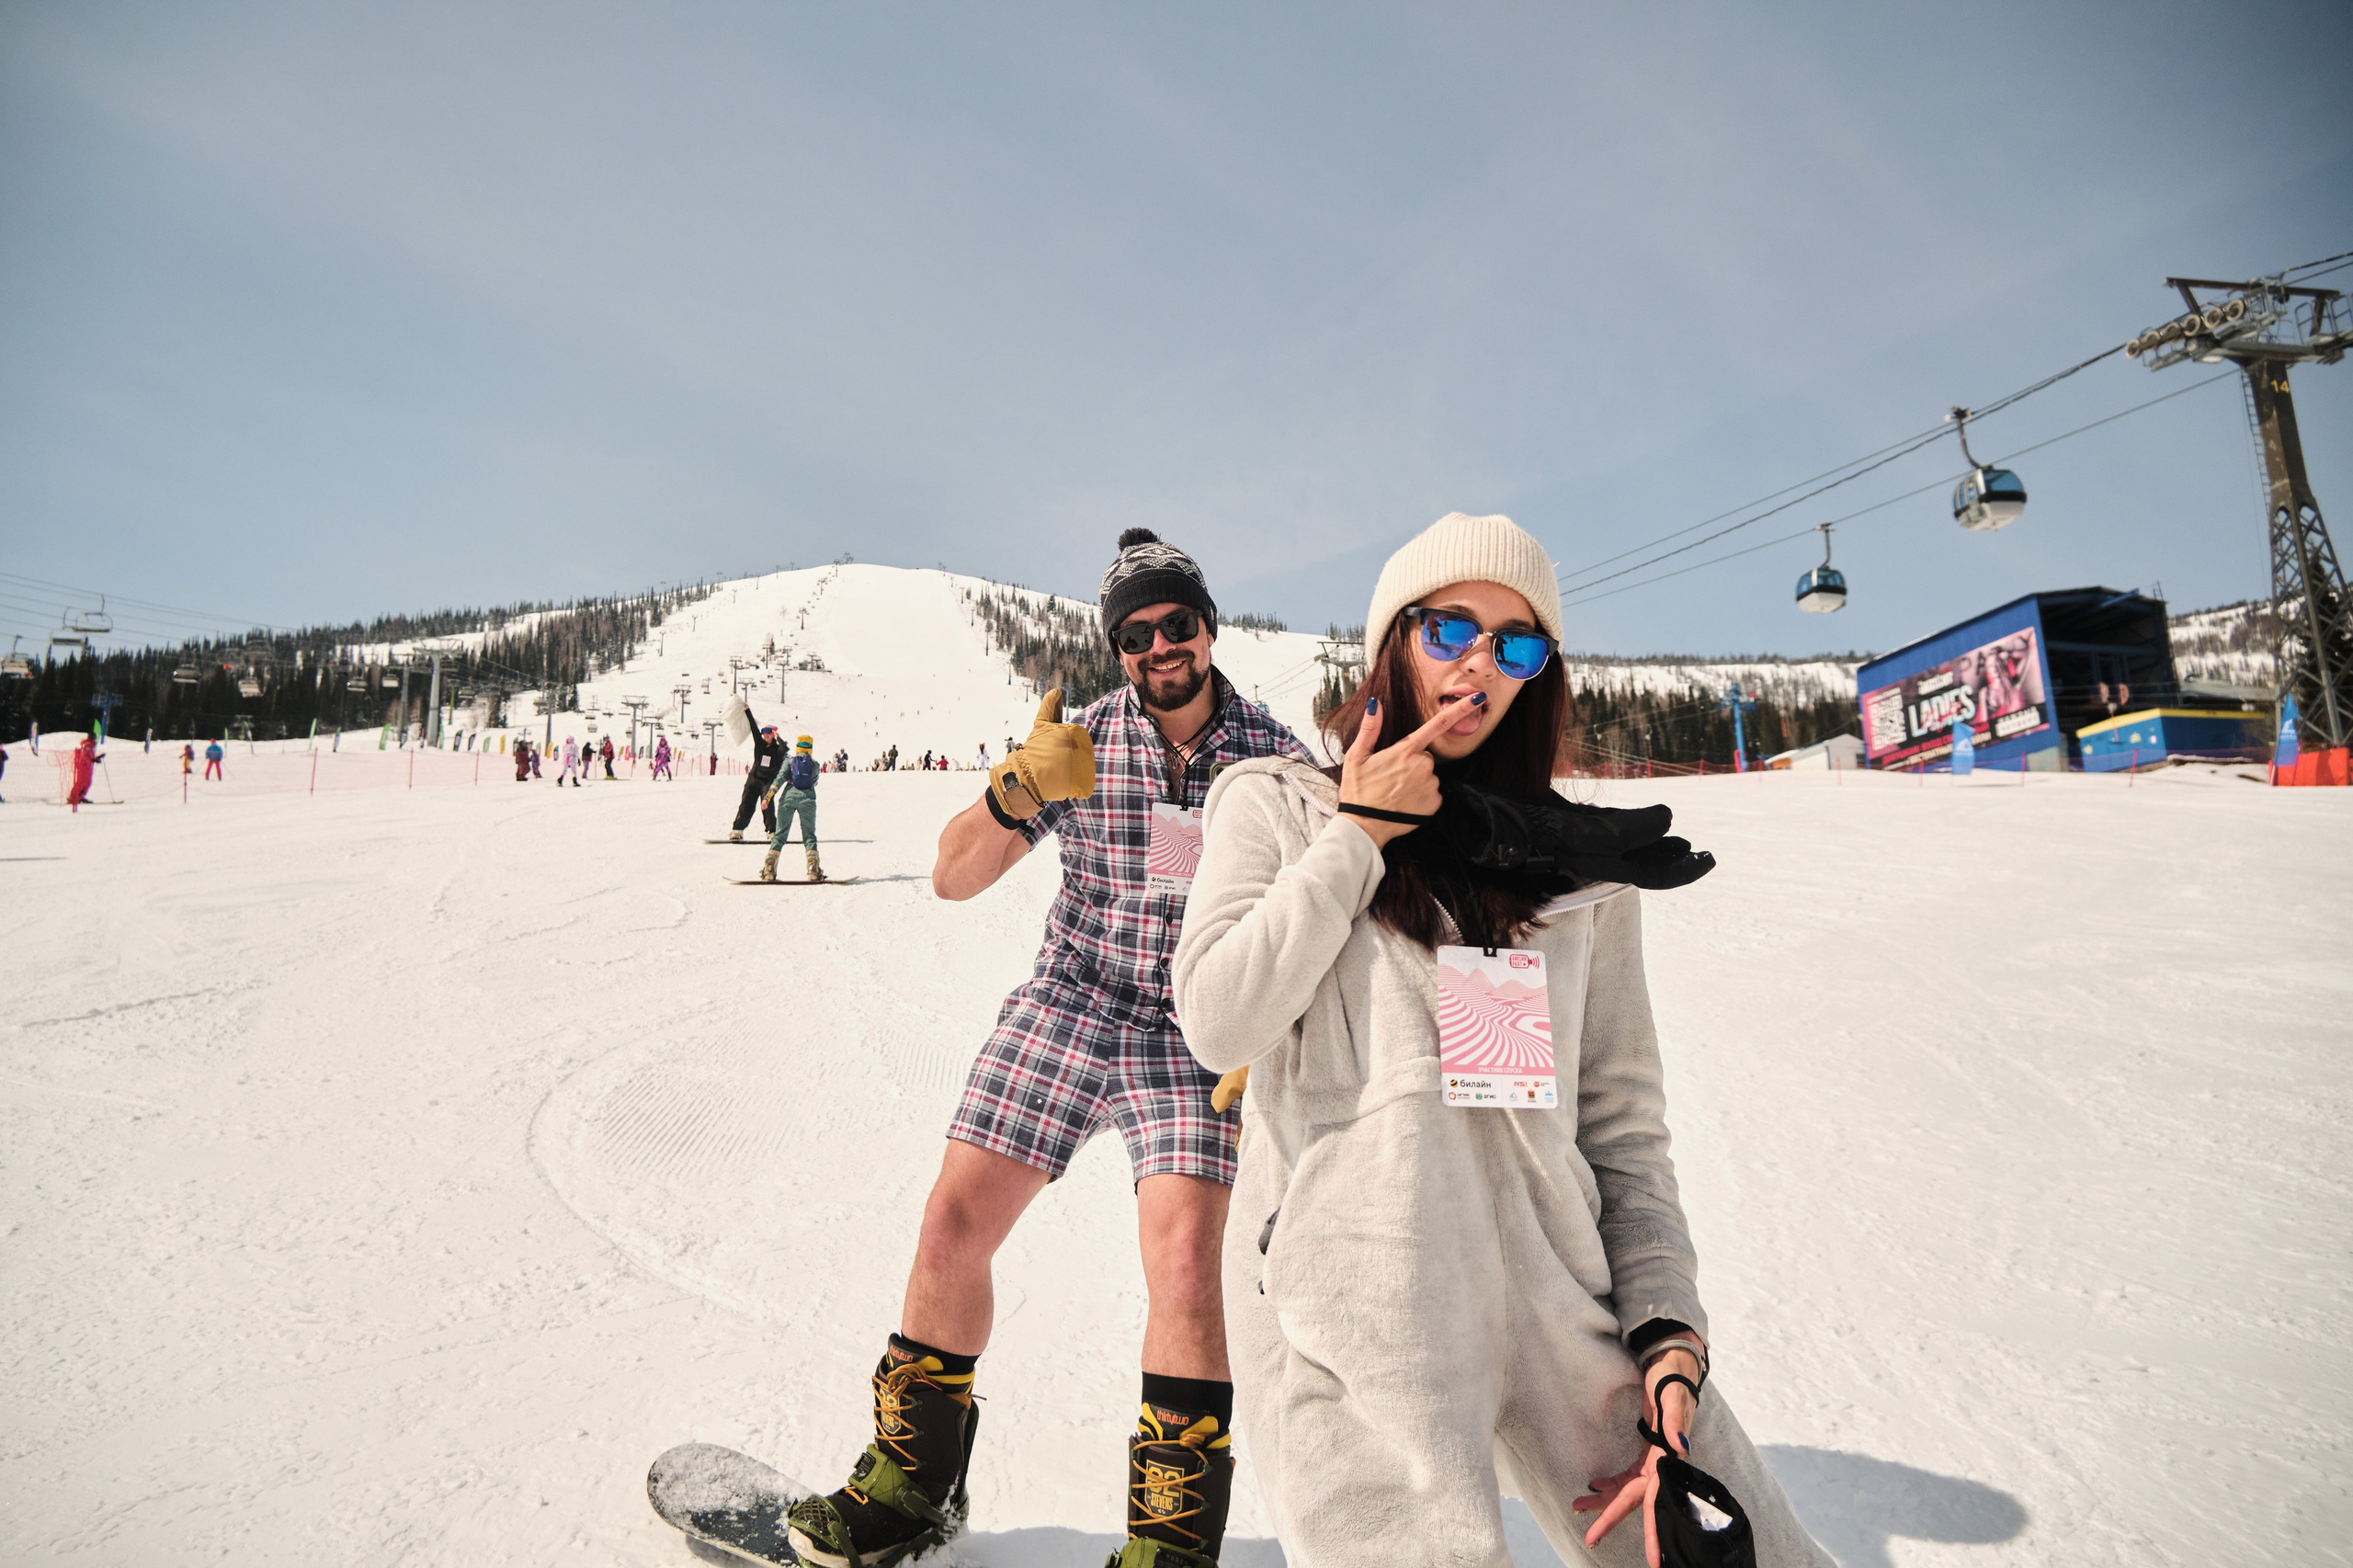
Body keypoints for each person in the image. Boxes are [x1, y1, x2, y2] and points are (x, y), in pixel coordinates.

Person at [1171, 514, 1830, 1568]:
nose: (1477, 663)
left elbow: (1619, 1122)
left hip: (1564, 1306)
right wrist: (1359, 833)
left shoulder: (1576, 872)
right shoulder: (1280, 809)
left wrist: (1666, 1326)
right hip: (1354, 1311)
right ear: (1393, 641)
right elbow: (1218, 1017)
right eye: (1448, 630)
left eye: (1514, 644)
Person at [779, 530, 1309, 1568]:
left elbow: (1321, 910)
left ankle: (1168, 1548)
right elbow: (951, 876)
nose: (1159, 646)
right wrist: (1013, 792)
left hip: (1198, 1031)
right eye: (1135, 634)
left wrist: (1271, 1022)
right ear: (1117, 649)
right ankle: (910, 1485)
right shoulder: (1082, 740)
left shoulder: (1273, 759)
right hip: (1072, 998)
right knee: (952, 1222)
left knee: (1187, 1265)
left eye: (1176, 623)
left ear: (1208, 628)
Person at [760, 735, 825, 882]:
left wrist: (767, 797)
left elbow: (779, 779)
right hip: (808, 800)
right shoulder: (814, 765)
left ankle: (770, 866)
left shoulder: (789, 762)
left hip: (787, 799)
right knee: (809, 835)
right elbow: (814, 782)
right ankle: (813, 869)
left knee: (779, 835)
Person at [729, 705, 791, 841]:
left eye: (769, 733)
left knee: (767, 805)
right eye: (764, 733)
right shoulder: (760, 744)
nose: (765, 735)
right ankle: (737, 831)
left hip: (768, 781)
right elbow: (753, 728)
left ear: (773, 734)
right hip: (754, 779)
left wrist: (778, 737)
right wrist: (747, 710)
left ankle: (772, 832)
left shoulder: (778, 749)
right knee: (746, 804)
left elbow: (784, 749)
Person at [67, 733, 103, 812]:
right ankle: (72, 797)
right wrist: (93, 760)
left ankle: (80, 797)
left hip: (88, 767)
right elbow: (85, 755)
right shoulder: (88, 745)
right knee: (81, 782)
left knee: (87, 782)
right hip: (83, 766)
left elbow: (89, 755)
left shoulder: (91, 745)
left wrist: (96, 758)